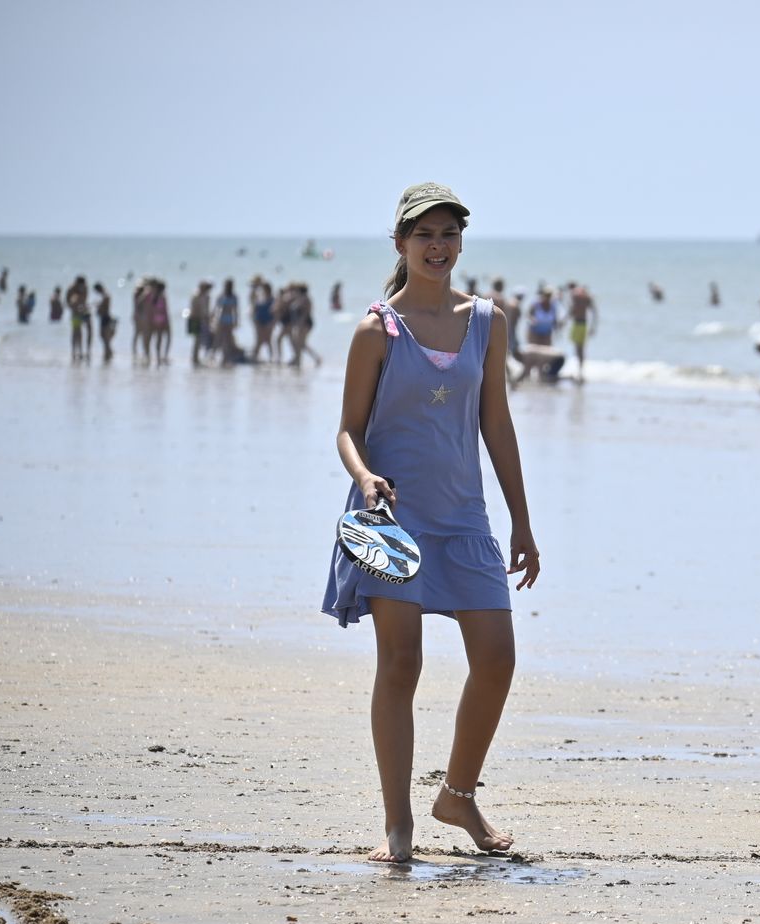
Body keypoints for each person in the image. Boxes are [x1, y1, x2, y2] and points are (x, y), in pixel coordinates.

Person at [322, 181, 540, 864]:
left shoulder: (487, 322)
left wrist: (523, 522)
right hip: (392, 519)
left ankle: (458, 793)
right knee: (402, 662)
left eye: (449, 234)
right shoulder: (376, 329)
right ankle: (399, 829)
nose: (438, 246)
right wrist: (363, 478)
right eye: (425, 235)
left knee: (498, 659)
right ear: (401, 244)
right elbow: (348, 430)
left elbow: (495, 423)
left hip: (465, 518)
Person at [567, 281, 597, 383]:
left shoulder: (575, 295)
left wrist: (563, 320)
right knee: (581, 349)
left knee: (578, 349)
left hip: (578, 324)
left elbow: (572, 310)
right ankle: (580, 372)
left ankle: (580, 372)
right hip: (583, 324)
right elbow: (594, 312)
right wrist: (593, 326)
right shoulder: (586, 295)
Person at [66, 276, 93, 362]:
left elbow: (85, 299)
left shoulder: (85, 287)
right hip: (75, 313)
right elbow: (68, 302)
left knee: (90, 329)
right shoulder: (71, 289)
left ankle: (88, 351)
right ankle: (75, 352)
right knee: (76, 332)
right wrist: (74, 305)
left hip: (84, 310)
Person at [251, 277, 276, 363]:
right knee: (259, 339)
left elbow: (274, 312)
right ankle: (255, 356)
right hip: (258, 321)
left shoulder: (272, 299)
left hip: (268, 321)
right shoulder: (260, 298)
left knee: (268, 339)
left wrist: (272, 323)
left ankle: (271, 357)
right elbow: (254, 308)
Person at [188, 281, 212, 366]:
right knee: (196, 340)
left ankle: (196, 357)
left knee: (201, 340)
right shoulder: (196, 296)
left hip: (201, 320)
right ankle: (195, 358)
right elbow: (195, 309)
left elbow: (206, 310)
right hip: (195, 319)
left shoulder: (206, 296)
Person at [93, 282, 115, 361]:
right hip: (104, 318)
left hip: (106, 318)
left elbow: (104, 306)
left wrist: (98, 306)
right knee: (103, 337)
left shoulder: (105, 295)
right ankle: (107, 354)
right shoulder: (104, 295)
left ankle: (108, 354)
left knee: (105, 338)